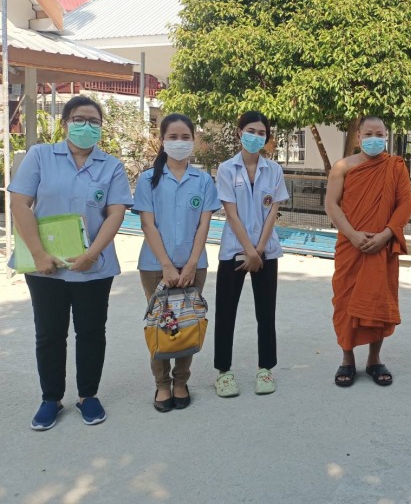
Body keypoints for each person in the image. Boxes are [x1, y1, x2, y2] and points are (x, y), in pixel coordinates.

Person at [9, 96, 133, 430]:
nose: (87, 126)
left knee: (91, 332)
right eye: (80, 119)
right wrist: (37, 254)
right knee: (50, 334)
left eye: (95, 122)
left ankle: (87, 396)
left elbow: (116, 212)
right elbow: (20, 204)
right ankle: (51, 399)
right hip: (45, 266)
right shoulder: (40, 156)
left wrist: (92, 254)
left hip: (93, 267)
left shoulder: (111, 166)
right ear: (65, 122)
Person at [133, 114, 220, 413]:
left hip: (194, 265)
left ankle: (181, 380)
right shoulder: (147, 179)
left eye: (186, 137)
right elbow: (148, 225)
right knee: (161, 323)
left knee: (187, 323)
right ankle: (161, 384)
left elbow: (204, 226)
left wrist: (192, 263)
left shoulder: (204, 180)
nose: (180, 143)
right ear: (162, 141)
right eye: (174, 137)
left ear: (193, 140)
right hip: (155, 266)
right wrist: (167, 266)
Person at [325, 116, 411, 387]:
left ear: (386, 136)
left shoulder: (395, 166)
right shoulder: (343, 166)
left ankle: (374, 359)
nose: (374, 138)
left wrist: (387, 234)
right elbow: (331, 204)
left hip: (382, 247)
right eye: (368, 133)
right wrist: (352, 235)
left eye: (380, 133)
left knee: (378, 302)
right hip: (351, 247)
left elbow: (404, 205)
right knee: (346, 302)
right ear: (359, 137)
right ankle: (347, 359)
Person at [213, 111, 288, 398]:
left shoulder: (274, 170)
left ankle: (265, 369)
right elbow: (230, 214)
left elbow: (273, 213)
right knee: (226, 312)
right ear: (239, 132)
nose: (256, 136)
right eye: (250, 130)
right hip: (234, 251)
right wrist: (248, 250)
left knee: (265, 312)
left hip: (266, 252)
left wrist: (258, 251)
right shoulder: (226, 169)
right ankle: (224, 372)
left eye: (261, 132)